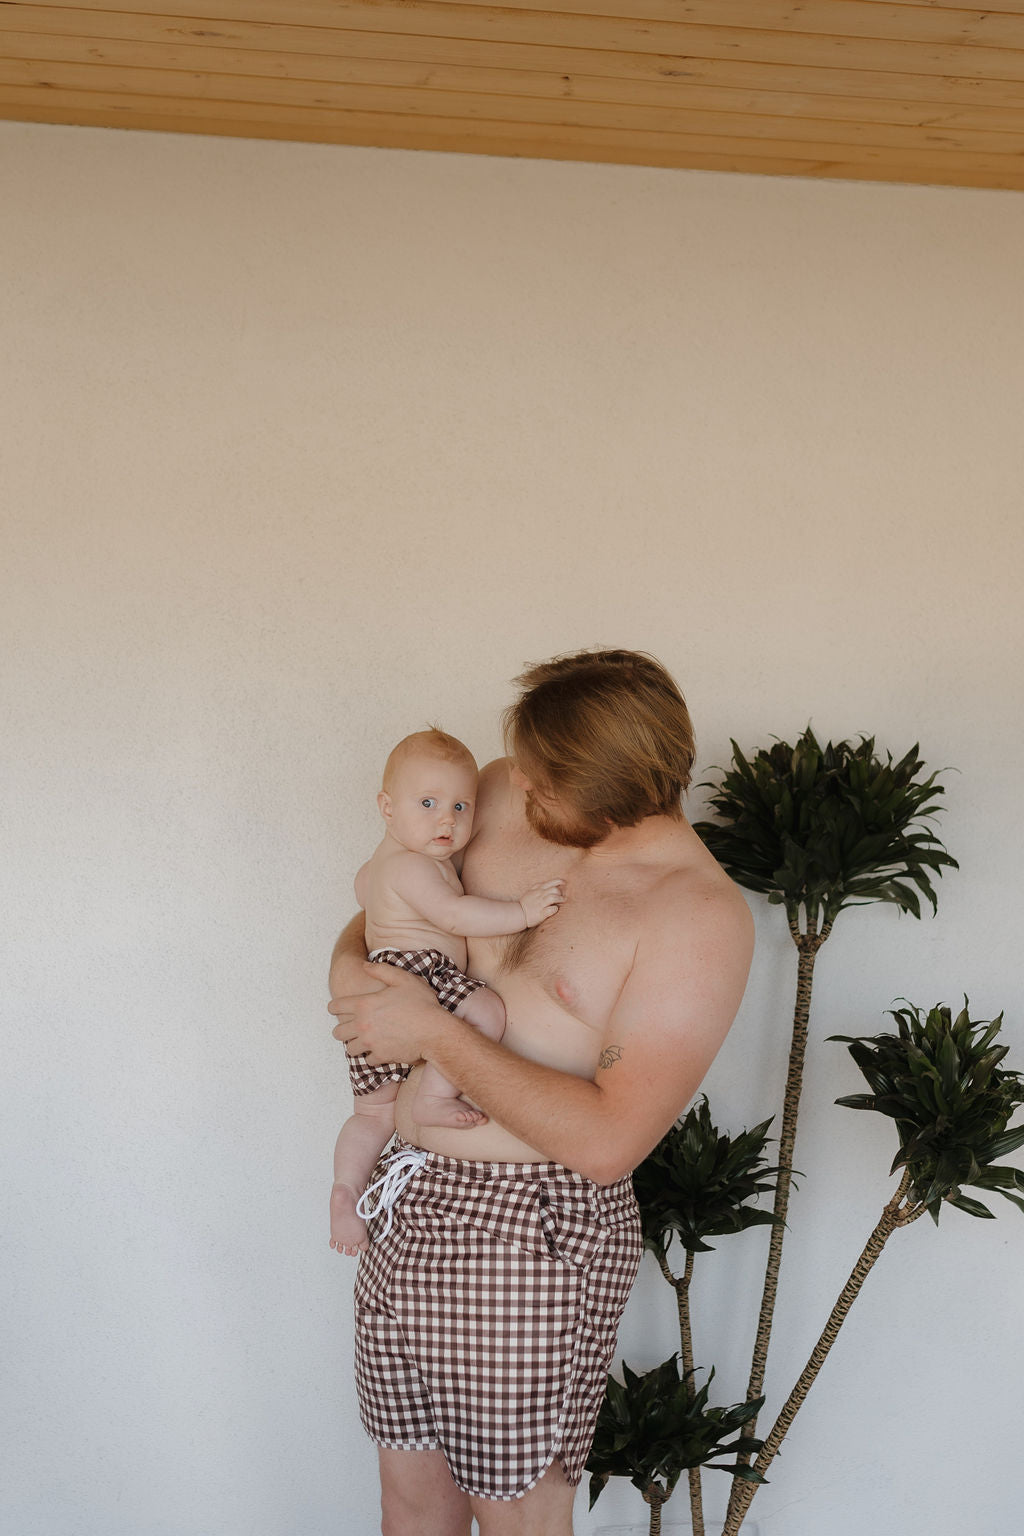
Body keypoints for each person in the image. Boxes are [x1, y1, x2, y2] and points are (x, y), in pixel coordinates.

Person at [328, 649, 754, 1536]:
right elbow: (384, 910)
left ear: (612, 785)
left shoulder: (695, 916)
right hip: (410, 1199)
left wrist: (433, 1032)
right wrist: (354, 982)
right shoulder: (499, 793)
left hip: (531, 1230)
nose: (516, 784)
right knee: (408, 1499)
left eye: (543, 776)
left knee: (517, 1516)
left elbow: (608, 1144)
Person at [330, 727, 566, 1255]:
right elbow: (454, 914)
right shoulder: (415, 866)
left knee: (371, 1113)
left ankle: (345, 1192)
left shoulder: (389, 858)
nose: (447, 819)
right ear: (386, 806)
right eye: (429, 803)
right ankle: (436, 1097)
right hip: (418, 973)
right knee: (486, 1010)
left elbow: (363, 889)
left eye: (461, 806)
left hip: (380, 984)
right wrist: (522, 912)